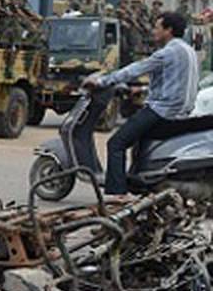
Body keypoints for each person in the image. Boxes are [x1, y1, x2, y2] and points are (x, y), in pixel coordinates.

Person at [83, 12, 199, 198]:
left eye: (157, 27)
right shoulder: (189, 51)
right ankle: (138, 182)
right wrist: (143, 90)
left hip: (162, 111)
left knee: (116, 143)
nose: (153, 31)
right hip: (181, 111)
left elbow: (135, 69)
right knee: (138, 140)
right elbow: (175, 82)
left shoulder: (167, 53)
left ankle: (117, 194)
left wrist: (102, 81)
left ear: (168, 30)